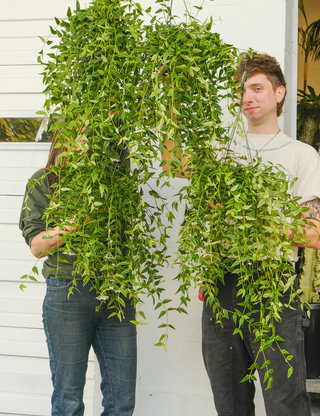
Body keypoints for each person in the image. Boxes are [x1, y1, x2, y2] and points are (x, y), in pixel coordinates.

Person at [161, 52, 320, 416]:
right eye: (242, 89)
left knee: (284, 401)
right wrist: (169, 97)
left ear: (279, 94)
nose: (247, 96)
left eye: (257, 87)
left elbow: (311, 233)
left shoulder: (301, 155)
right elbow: (172, 162)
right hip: (221, 283)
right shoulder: (221, 151)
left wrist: (246, 216)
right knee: (229, 402)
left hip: (273, 286)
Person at [19, 130, 137, 416]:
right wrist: (75, 222)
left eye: (95, 135)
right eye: (80, 134)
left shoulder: (113, 179)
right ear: (63, 138)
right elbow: (37, 245)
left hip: (115, 292)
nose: (87, 142)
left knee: (122, 401)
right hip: (67, 293)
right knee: (69, 398)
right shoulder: (43, 180)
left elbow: (120, 135)